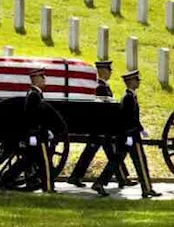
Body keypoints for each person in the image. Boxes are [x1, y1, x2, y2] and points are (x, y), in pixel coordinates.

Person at [92, 69, 159, 198]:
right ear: (131, 82)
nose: (138, 82)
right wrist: (135, 131)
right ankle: (146, 189)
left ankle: (100, 183)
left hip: (128, 135)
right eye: (136, 80)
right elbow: (127, 118)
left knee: (117, 161)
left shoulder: (131, 96)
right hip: (130, 136)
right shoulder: (128, 97)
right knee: (139, 161)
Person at [67, 60, 130, 188]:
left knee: (98, 151)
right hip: (101, 126)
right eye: (108, 70)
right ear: (102, 71)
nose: (110, 72)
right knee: (112, 152)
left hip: (101, 127)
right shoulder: (100, 87)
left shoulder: (102, 86)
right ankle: (121, 178)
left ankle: (76, 176)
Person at [23, 68, 55, 192]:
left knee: (29, 161)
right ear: (36, 80)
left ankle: (5, 180)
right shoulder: (33, 95)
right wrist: (33, 133)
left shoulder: (36, 94)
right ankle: (47, 187)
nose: (44, 80)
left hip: (38, 134)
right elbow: (31, 116)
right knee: (45, 163)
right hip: (38, 135)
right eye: (42, 78)